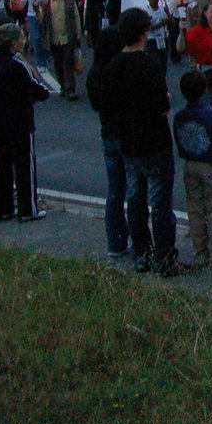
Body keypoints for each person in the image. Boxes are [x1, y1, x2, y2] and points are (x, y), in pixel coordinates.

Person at [105, 8, 180, 276]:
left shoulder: (113, 66)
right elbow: (161, 104)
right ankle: (164, 256)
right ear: (144, 33)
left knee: (135, 199)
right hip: (154, 140)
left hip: (128, 140)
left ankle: (142, 252)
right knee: (159, 202)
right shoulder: (148, 64)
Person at [0, 23, 51, 223]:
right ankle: (28, 208)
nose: (24, 40)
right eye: (21, 38)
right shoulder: (18, 66)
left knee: (0, 163)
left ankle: (3, 208)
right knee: (24, 164)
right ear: (13, 43)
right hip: (19, 120)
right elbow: (39, 90)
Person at [174, 69, 212, 269]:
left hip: (191, 163)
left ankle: (200, 252)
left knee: (195, 209)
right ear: (205, 89)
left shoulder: (180, 116)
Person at [86, 25, 130, 259]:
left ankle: (115, 241)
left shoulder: (95, 73)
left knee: (115, 190)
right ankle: (135, 237)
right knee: (133, 188)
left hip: (108, 133)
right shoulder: (118, 71)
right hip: (124, 133)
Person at [44, 0, 84, 100]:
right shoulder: (47, 2)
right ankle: (62, 85)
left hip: (67, 36)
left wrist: (78, 34)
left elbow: (76, 17)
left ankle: (70, 89)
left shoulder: (69, 0)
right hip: (54, 38)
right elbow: (43, 21)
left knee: (68, 64)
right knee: (58, 64)